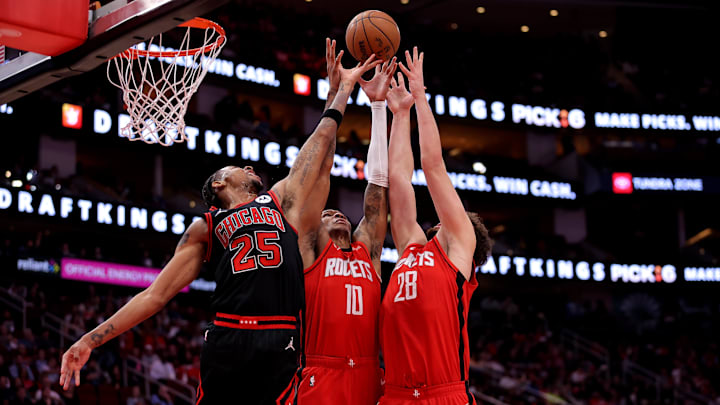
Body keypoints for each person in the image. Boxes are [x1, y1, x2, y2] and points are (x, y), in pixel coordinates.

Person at [59, 38, 381, 405]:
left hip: (280, 340)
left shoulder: (280, 202)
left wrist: (338, 93)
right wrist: (89, 339)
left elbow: (321, 150)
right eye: (238, 168)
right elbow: (155, 294)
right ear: (219, 183)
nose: (248, 167)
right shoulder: (206, 228)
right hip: (227, 337)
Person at [379, 48, 493, 405]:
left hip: (442, 395)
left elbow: (432, 166)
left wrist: (421, 96)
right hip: (395, 394)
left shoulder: (458, 251)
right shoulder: (412, 248)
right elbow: (398, 180)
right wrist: (399, 114)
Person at [296, 56, 396, 405]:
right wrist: (337, 92)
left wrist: (379, 107)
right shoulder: (312, 248)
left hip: (369, 373)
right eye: (327, 213)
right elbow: (320, 170)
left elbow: (378, 186)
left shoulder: (367, 250)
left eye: (338, 212)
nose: (336, 212)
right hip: (322, 372)